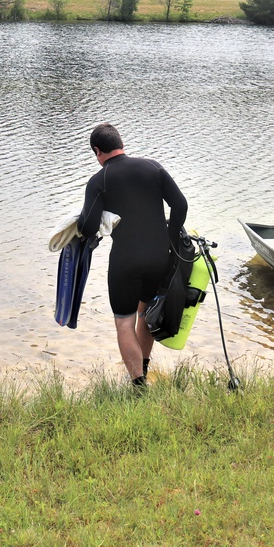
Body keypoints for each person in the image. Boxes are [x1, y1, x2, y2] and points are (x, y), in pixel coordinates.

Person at [77, 123, 187, 389]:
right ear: (121, 143)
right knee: (145, 313)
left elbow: (88, 227)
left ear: (97, 151)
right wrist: (170, 237)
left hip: (125, 260)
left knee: (123, 322)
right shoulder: (152, 167)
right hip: (159, 256)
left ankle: (138, 385)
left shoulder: (99, 180)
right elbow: (180, 205)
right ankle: (145, 368)